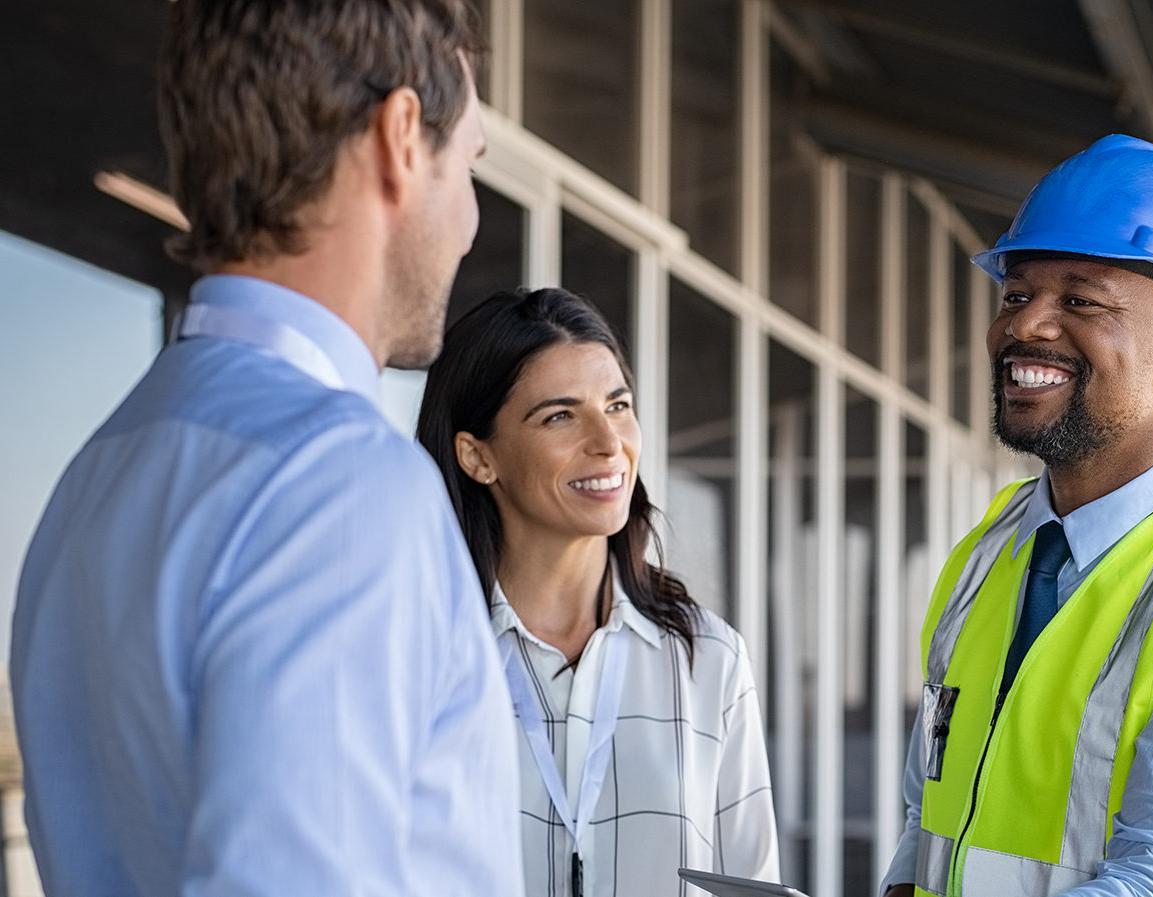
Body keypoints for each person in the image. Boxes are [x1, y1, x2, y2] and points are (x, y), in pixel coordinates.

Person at [6, 1, 519, 894]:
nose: (472, 219)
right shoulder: (347, 485)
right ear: (402, 137)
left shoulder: (96, 474)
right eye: (469, 162)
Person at [879, 134, 1153, 897]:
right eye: (1015, 295)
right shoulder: (995, 543)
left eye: (1078, 300)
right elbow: (928, 809)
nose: (1025, 326)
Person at [418, 287, 779, 897]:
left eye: (617, 405)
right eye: (560, 415)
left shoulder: (709, 660)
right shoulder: (418, 655)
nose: (609, 443)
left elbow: (750, 883)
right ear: (478, 457)